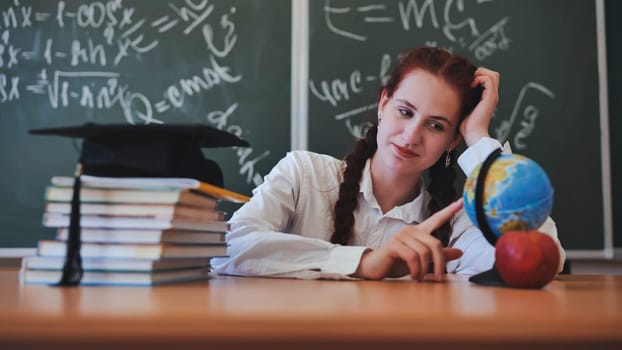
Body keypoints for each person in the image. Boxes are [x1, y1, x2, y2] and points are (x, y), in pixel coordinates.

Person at [211, 47, 566, 281]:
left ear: (452, 141)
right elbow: (226, 248)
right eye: (405, 111)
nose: (412, 136)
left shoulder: (459, 218)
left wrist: (478, 137)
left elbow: (540, 259)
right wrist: (363, 262)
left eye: (436, 125)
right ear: (384, 104)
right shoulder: (304, 175)